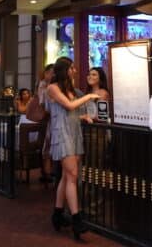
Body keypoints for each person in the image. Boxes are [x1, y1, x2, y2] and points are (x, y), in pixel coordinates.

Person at [47, 57, 100, 239]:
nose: (74, 71)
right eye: (71, 68)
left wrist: (83, 117)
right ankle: (77, 219)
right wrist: (88, 96)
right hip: (62, 135)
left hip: (74, 133)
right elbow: (69, 106)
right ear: (64, 70)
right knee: (72, 175)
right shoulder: (52, 88)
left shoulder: (71, 89)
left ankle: (58, 214)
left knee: (66, 175)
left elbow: (71, 113)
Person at [37, 64, 54, 183]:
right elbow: (43, 103)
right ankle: (46, 173)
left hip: (50, 119)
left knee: (49, 145)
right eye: (51, 72)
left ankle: (49, 172)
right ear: (46, 73)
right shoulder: (43, 85)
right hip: (46, 119)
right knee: (46, 145)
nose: (53, 75)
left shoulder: (52, 85)